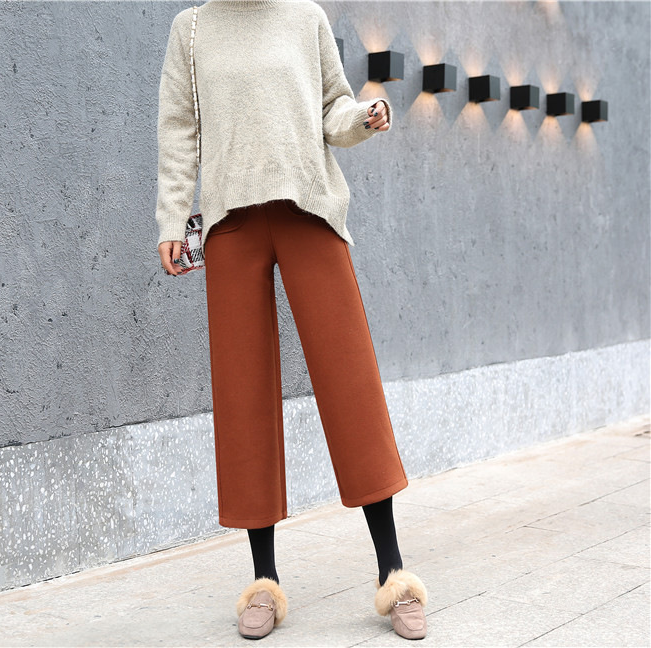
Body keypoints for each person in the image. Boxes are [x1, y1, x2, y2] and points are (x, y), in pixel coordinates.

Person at [155, 0, 428, 640]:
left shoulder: (304, 16)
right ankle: (263, 582)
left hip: (309, 209)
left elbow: (332, 107)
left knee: (351, 383)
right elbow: (179, 129)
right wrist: (172, 218)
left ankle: (394, 574)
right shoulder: (191, 29)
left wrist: (363, 116)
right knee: (243, 397)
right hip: (231, 223)